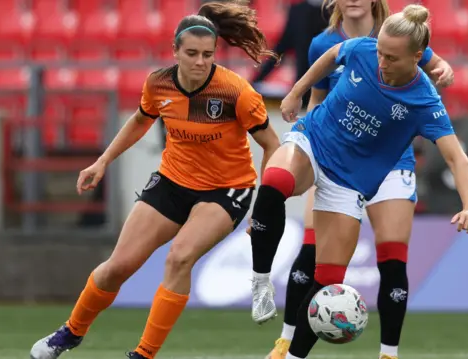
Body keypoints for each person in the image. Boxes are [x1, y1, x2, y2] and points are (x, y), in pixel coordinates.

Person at [29, 2, 281, 359]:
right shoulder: (159, 84)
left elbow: (272, 144)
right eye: (191, 53)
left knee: (179, 258)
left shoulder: (235, 92)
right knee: (117, 267)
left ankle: (143, 354)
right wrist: (103, 161)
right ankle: (69, 333)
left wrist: (265, 207)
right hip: (173, 181)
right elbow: (139, 120)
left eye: (207, 54)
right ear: (174, 51)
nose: (200, 61)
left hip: (226, 189)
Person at [248, 4, 468, 359]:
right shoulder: (365, 48)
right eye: (381, 53)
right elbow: (333, 54)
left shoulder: (425, 102)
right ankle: (261, 283)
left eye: (391, 58)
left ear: (417, 57)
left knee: (327, 279)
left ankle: (297, 356)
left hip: (350, 182)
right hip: (314, 141)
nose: (381, 62)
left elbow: (455, 156)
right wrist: (296, 91)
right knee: (275, 181)